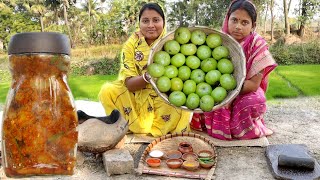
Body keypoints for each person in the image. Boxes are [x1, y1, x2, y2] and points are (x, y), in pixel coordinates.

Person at [97, 3, 191, 137]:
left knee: (179, 100)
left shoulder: (173, 42)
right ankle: (126, 124)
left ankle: (148, 127)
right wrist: (147, 77)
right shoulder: (131, 44)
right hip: (137, 91)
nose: (151, 25)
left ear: (164, 22)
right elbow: (129, 84)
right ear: (139, 23)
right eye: (145, 21)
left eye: (156, 20)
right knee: (107, 91)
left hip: (164, 95)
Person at [191, 0, 277, 140]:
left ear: (253, 25)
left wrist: (230, 93)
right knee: (211, 100)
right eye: (234, 20)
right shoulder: (218, 41)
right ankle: (219, 128)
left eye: (244, 23)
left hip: (245, 90)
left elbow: (254, 84)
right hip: (216, 88)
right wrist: (223, 94)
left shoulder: (257, 44)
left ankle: (243, 130)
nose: (238, 27)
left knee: (255, 101)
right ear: (227, 19)